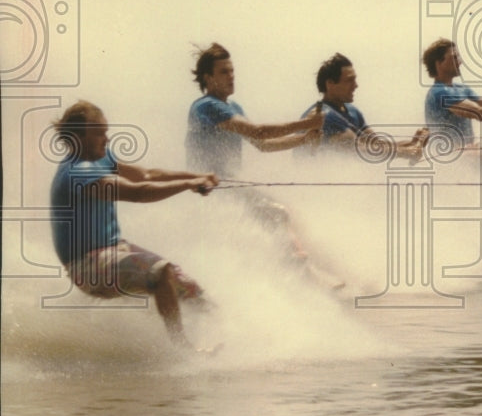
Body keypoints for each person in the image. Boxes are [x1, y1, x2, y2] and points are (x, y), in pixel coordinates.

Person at [49, 101, 217, 347]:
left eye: (106, 131)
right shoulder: (76, 172)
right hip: (86, 266)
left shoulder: (102, 157)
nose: (106, 139)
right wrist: (188, 185)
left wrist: (197, 176)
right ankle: (184, 351)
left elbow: (147, 175)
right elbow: (138, 192)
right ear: (78, 137)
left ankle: (226, 333)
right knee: (161, 271)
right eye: (99, 133)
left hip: (116, 249)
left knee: (188, 287)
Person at [186, 42, 322, 178]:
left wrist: (304, 139)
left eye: (232, 71)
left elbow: (263, 144)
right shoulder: (207, 106)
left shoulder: (233, 107)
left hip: (230, 184)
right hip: (207, 188)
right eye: (224, 72)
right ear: (208, 78)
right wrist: (307, 123)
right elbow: (258, 132)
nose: (231, 76)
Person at [303, 53, 426, 158]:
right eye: (349, 81)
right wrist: (406, 152)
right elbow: (358, 151)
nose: (356, 85)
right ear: (330, 84)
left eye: (355, 80)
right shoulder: (324, 116)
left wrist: (411, 143)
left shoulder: (353, 111)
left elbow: (376, 144)